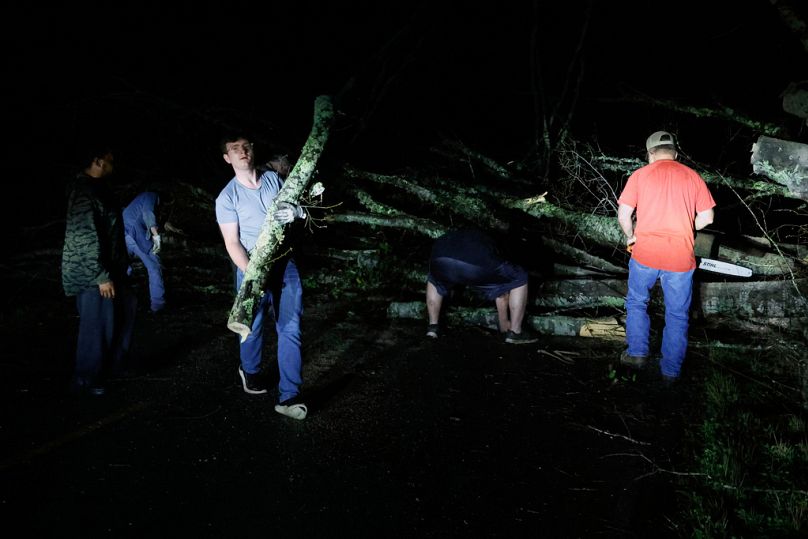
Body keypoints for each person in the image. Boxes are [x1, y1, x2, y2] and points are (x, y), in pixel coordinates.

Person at [215, 134, 309, 420]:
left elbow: (298, 215)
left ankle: (289, 395)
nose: (242, 152)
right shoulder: (227, 197)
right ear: (227, 158)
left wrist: (298, 212)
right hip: (251, 265)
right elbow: (232, 242)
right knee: (252, 326)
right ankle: (251, 370)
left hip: (284, 262)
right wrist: (253, 275)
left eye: (246, 146)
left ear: (253, 151)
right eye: (234, 149)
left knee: (290, 326)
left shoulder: (273, 180)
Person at [616, 130, 716, 383]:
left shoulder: (639, 176)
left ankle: (637, 354)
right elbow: (707, 218)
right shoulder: (692, 176)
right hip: (680, 259)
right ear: (676, 153)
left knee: (637, 303)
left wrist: (631, 236)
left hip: (645, 254)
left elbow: (623, 215)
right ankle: (670, 371)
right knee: (677, 314)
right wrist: (685, 224)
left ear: (649, 153)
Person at [61, 144, 137, 396]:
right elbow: (85, 237)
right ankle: (85, 378)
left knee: (126, 310)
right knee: (96, 325)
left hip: (112, 269)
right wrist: (100, 276)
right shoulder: (83, 191)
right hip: (92, 274)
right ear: (98, 161)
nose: (113, 164)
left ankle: (116, 365)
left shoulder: (100, 189)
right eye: (110, 159)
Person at [425, 228, 539, 344]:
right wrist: (503, 323)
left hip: (439, 258)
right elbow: (502, 292)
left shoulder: (457, 236)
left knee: (434, 280)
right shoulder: (495, 241)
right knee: (520, 276)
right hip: (475, 262)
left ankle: (433, 328)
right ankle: (515, 332)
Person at [123, 191, 166, 313]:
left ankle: (119, 303)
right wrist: (156, 236)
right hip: (135, 233)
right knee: (154, 266)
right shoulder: (151, 196)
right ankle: (158, 305)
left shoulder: (139, 198)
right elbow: (148, 213)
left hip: (123, 233)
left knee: (124, 269)